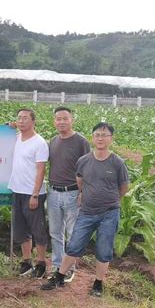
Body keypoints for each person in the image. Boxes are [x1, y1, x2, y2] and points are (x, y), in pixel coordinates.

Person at [42, 123, 129, 296]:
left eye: (104, 135)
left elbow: (124, 187)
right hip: (87, 212)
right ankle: (59, 277)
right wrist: (84, 194)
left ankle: (98, 283)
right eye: (97, 135)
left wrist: (111, 199)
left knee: (104, 249)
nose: (100, 138)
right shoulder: (84, 161)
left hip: (109, 213)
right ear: (92, 137)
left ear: (111, 138)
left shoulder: (117, 163)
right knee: (74, 244)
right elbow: (79, 181)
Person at [47, 107, 90, 282]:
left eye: (65, 118)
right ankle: (58, 265)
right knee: (55, 232)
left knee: (72, 233)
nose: (61, 122)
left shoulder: (81, 141)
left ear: (72, 120)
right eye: (58, 119)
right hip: (53, 192)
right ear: (54, 121)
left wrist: (83, 192)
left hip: (72, 192)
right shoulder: (53, 141)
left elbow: (88, 168)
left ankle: (69, 268)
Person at [7, 108, 49, 278]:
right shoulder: (16, 138)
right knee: (21, 229)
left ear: (33, 122)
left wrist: (35, 194)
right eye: (19, 118)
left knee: (37, 229)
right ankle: (26, 261)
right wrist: (7, 127)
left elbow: (41, 170)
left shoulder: (39, 143)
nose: (21, 121)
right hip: (17, 190)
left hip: (32, 193)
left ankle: (41, 262)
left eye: (25, 118)